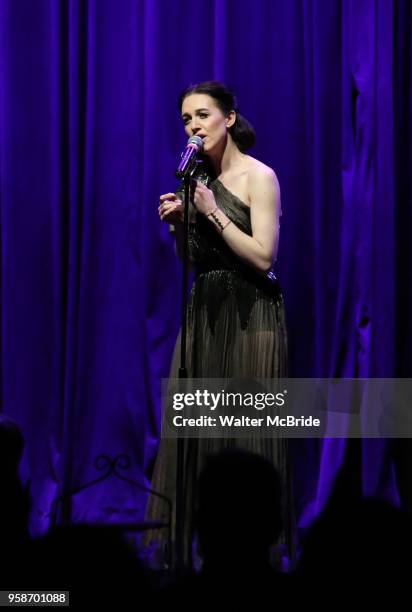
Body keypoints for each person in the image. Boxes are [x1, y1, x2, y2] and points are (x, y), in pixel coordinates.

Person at [145, 81, 292, 568]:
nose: (193, 126)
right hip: (205, 312)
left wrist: (213, 215)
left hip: (252, 313)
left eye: (203, 115)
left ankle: (251, 556)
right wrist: (180, 224)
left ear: (228, 119)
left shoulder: (259, 176)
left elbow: (264, 256)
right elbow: (194, 260)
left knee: (242, 428)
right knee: (198, 429)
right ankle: (196, 553)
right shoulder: (196, 180)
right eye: (186, 119)